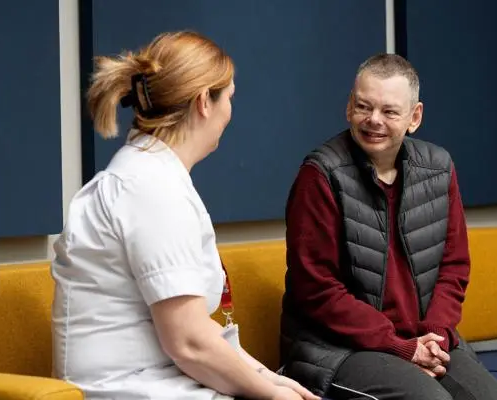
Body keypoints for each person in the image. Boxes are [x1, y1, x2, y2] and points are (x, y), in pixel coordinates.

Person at [51, 31, 318, 400]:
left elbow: (200, 335)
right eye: (229, 98)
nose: (230, 112)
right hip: (132, 390)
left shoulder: (151, 176)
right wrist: (272, 396)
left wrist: (270, 379)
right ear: (203, 103)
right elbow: (189, 343)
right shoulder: (148, 188)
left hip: (162, 382)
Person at [279, 53, 497, 400]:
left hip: (422, 338)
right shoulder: (321, 175)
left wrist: (435, 334)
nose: (373, 120)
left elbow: (454, 266)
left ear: (414, 117)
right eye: (363, 107)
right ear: (348, 107)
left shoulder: (438, 167)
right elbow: (317, 289)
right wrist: (400, 347)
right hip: (337, 349)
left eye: (389, 111)